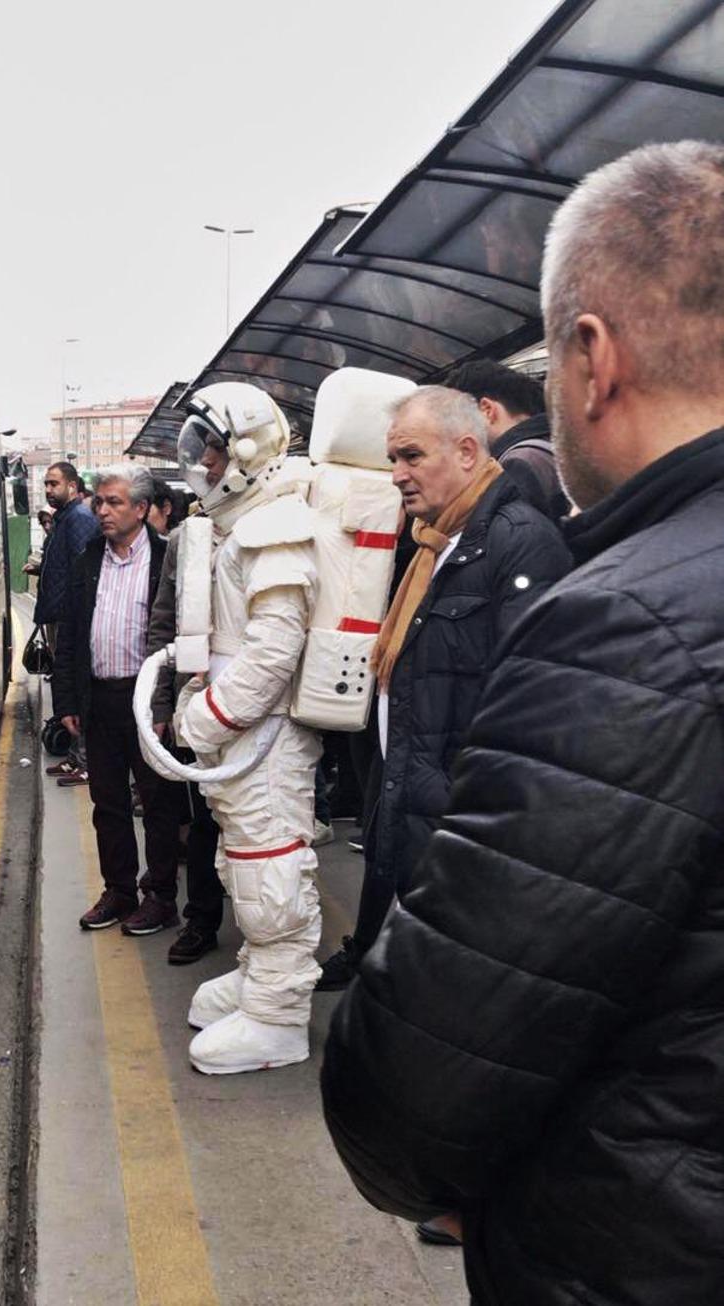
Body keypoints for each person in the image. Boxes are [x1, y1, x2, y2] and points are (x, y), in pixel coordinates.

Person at [322, 140, 724, 1306]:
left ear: (594, 359)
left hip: (638, 1251)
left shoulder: (625, 622)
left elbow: (422, 1078)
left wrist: (431, 1168)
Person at [316, 387, 570, 994]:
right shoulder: (434, 544)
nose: (397, 475)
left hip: (461, 835)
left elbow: (533, 717)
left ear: (465, 451)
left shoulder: (520, 543)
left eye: (410, 456)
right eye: (392, 459)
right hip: (413, 803)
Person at [171, 382, 322, 1076]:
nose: (199, 464)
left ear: (246, 453)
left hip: (266, 734)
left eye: (208, 450)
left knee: (272, 867)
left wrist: (209, 716)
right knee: (245, 858)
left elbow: (274, 648)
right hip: (243, 731)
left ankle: (279, 1016)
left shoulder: (277, 525)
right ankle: (261, 976)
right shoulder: (245, 521)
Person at [52, 464, 181, 936]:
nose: (102, 511)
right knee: (108, 803)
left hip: (147, 701)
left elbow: (181, 637)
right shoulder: (89, 558)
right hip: (99, 699)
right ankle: (119, 890)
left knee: (160, 802)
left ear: (142, 509)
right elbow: (69, 636)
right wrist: (66, 698)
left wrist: (165, 706)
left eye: (114, 503)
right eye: (99, 502)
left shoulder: (167, 560)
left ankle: (161, 896)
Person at [144, 516, 223, 965]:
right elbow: (163, 626)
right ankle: (202, 919)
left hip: (268, 711)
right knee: (202, 821)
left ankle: (268, 946)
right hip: (197, 703)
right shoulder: (187, 540)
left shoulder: (288, 519)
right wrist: (161, 705)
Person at [36, 462, 98, 785]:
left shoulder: (79, 520)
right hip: (62, 614)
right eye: (46, 483)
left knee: (77, 687)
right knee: (67, 688)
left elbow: (82, 572)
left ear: (73, 487)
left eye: (54, 483)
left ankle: (84, 760)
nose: (49, 489)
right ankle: (76, 757)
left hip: (73, 617)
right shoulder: (65, 519)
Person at [446, 359, 569, 521]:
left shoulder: (516, 464)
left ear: (486, 410)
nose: (453, 435)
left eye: (455, 420)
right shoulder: (557, 444)